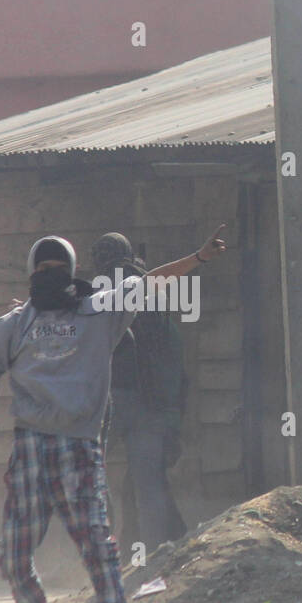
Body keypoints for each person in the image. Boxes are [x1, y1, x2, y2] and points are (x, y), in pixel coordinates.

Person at [0, 227, 226, 603]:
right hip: (29, 448)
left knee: (96, 543)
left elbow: (153, 280)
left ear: (72, 271)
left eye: (57, 267)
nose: (50, 273)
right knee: (14, 551)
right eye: (43, 268)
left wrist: (200, 257)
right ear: (32, 272)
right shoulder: (15, 324)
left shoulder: (101, 311)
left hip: (77, 445)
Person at [90, 233, 189, 554]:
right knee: (148, 481)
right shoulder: (153, 289)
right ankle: (161, 551)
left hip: (111, 398)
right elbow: (172, 353)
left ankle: (103, 548)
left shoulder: (103, 287)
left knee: (90, 472)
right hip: (153, 402)